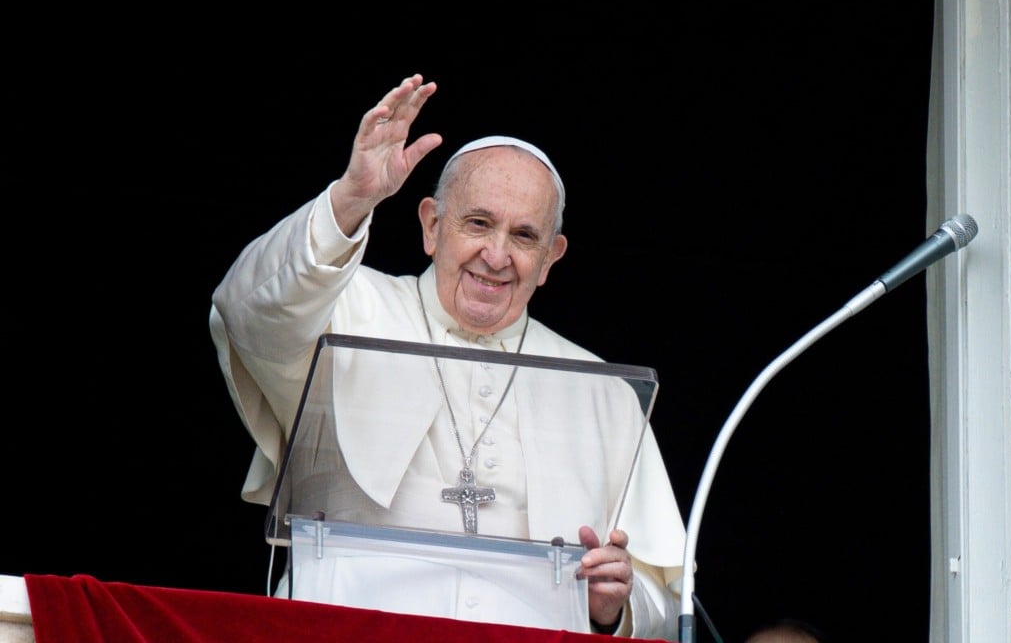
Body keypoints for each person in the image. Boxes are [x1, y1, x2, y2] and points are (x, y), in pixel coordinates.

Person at [209, 73, 687, 639]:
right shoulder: (344, 304)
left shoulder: (602, 391)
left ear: (551, 259)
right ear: (432, 226)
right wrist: (351, 198)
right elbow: (247, 311)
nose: (497, 255)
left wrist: (616, 607)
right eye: (478, 223)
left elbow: (666, 595)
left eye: (525, 236)